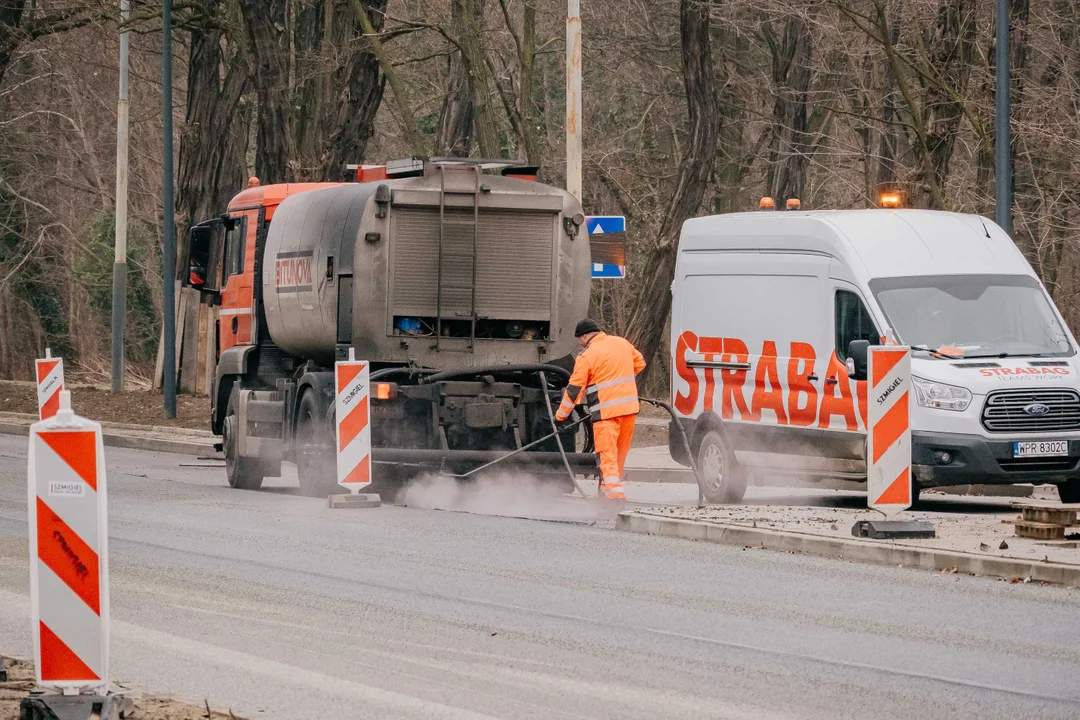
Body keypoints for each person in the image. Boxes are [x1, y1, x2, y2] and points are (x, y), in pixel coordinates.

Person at [555, 319, 646, 504]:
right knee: (619, 454)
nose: (579, 343)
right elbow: (640, 363)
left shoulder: (586, 355)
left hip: (606, 413)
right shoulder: (622, 342)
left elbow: (574, 390)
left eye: (579, 339)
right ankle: (606, 491)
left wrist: (560, 416)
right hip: (629, 410)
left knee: (607, 454)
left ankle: (614, 496)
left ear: (585, 336)